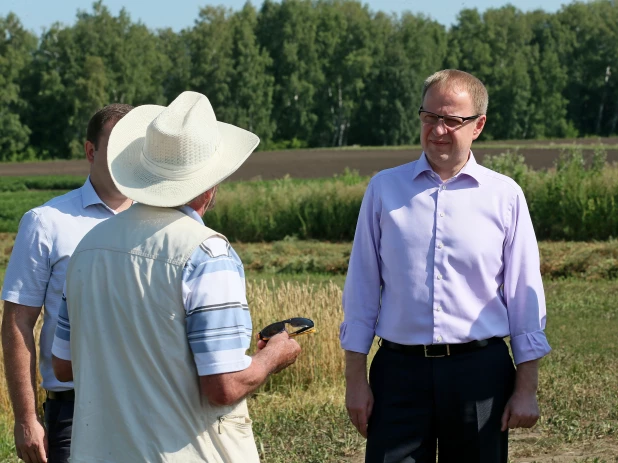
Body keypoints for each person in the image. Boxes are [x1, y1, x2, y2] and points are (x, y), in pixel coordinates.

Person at [50, 91, 301, 462]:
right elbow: (224, 386)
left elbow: (63, 365)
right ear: (210, 183)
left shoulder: (87, 248)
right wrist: (274, 356)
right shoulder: (206, 253)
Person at [341, 69, 551, 463]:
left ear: (478, 126)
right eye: (429, 117)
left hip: (480, 374)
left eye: (452, 120)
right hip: (398, 373)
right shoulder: (384, 189)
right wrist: (355, 379)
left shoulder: (504, 196)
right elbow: (362, 288)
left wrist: (526, 388)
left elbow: (526, 296)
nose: (438, 130)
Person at [1, 104, 134, 463]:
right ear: (91, 151)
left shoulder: (157, 222)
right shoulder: (47, 222)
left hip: (146, 404)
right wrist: (27, 419)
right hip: (75, 412)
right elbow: (18, 322)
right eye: (118, 147)